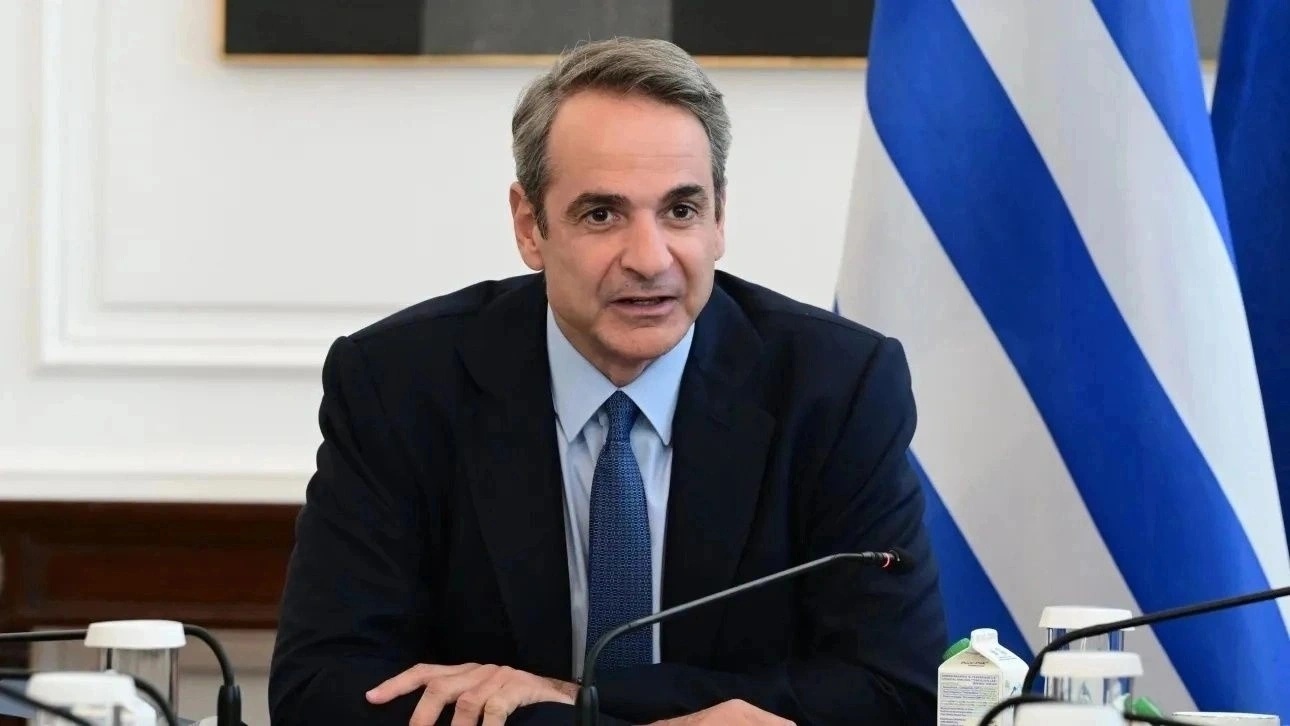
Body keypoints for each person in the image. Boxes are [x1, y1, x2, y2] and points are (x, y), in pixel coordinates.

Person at [268, 37, 947, 726]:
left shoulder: (835, 387)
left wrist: (579, 701)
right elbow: (323, 685)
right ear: (530, 227)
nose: (650, 260)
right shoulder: (400, 385)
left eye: (680, 211)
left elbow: (895, 688)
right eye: (602, 215)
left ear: (719, 219)